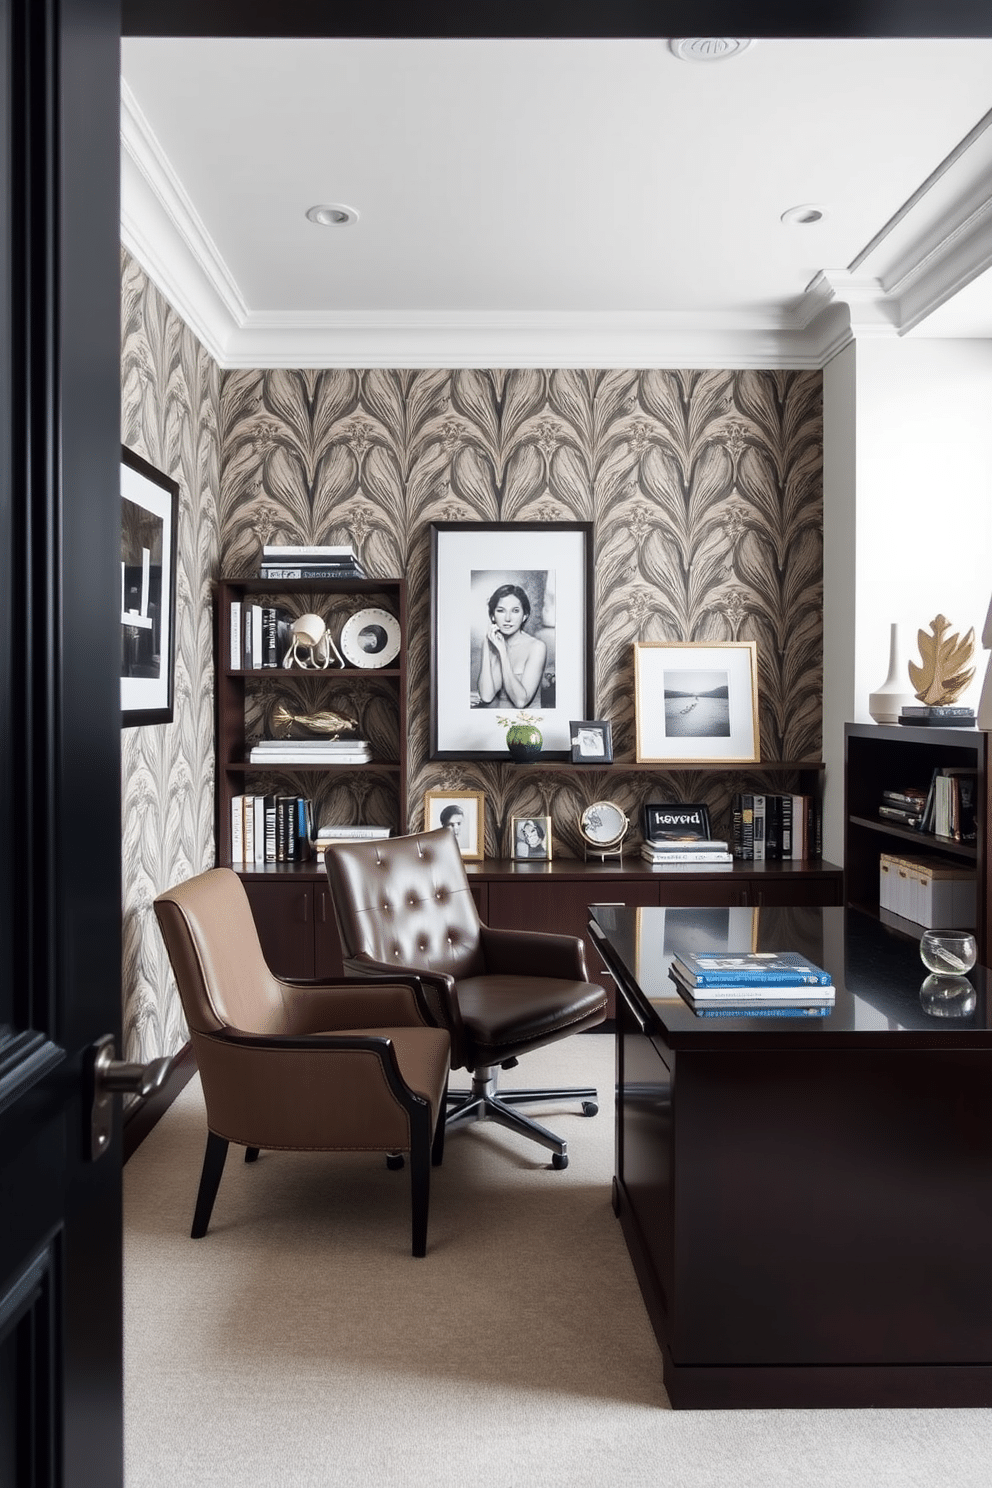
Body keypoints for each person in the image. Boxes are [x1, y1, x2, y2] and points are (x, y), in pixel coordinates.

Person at [476, 583, 547, 710]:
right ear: (492, 616)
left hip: (528, 724)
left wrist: (503, 652)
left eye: (515, 611)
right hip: (496, 722)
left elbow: (520, 701)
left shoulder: (537, 647)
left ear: (524, 616)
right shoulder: (490, 643)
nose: (507, 618)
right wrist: (487, 644)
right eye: (501, 610)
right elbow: (487, 696)